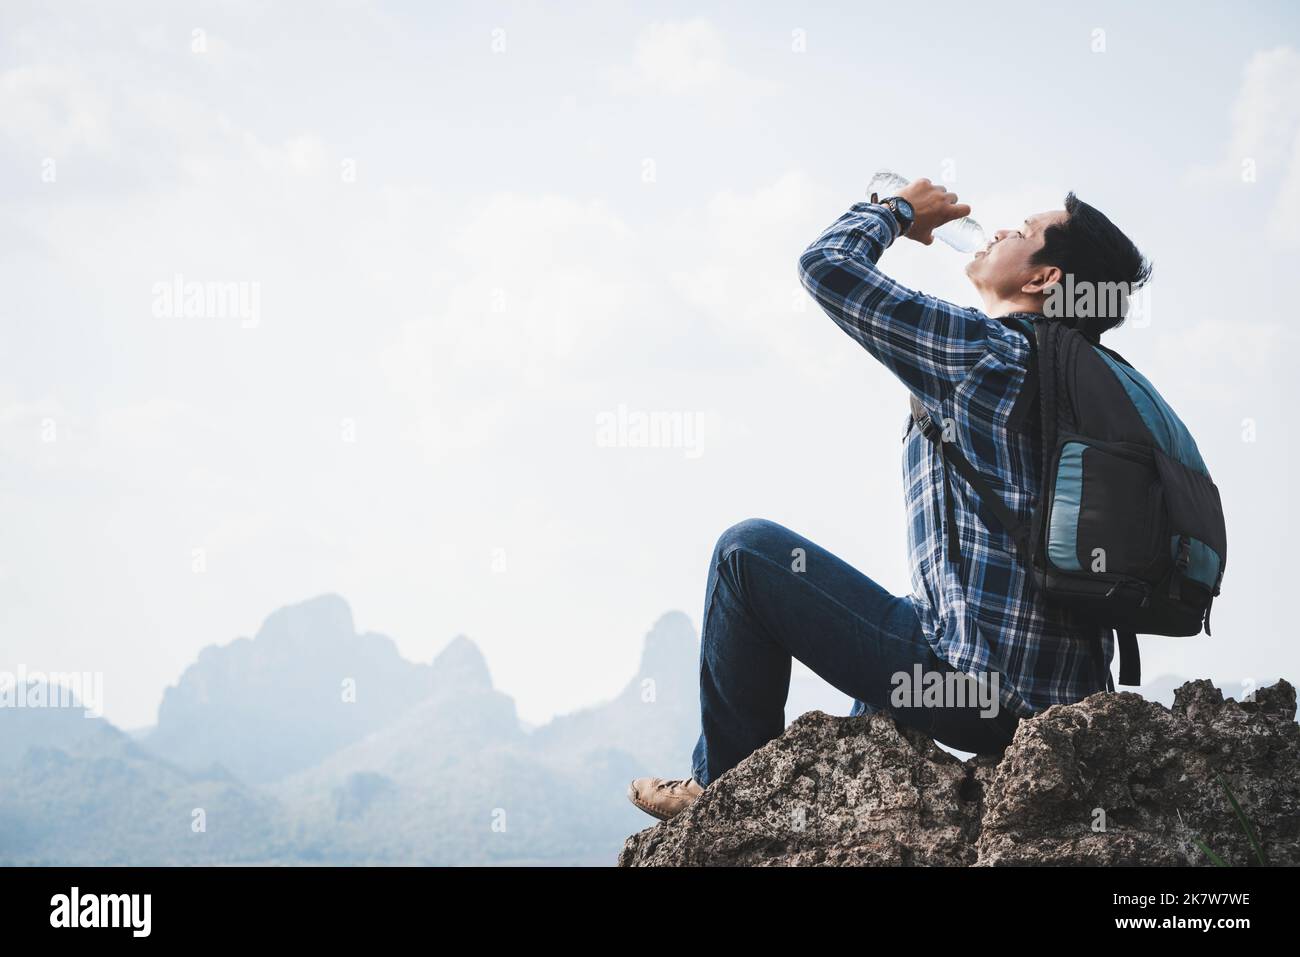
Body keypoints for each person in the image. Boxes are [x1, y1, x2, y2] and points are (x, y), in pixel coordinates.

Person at [627, 177, 1153, 822]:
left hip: (979, 694)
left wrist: (897, 210)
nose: (996, 232)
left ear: (1043, 279)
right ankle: (843, 792)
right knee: (902, 619)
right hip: (1061, 707)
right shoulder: (1094, 381)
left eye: (1019, 232)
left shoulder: (989, 354)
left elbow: (827, 267)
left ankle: (726, 795)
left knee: (747, 551)